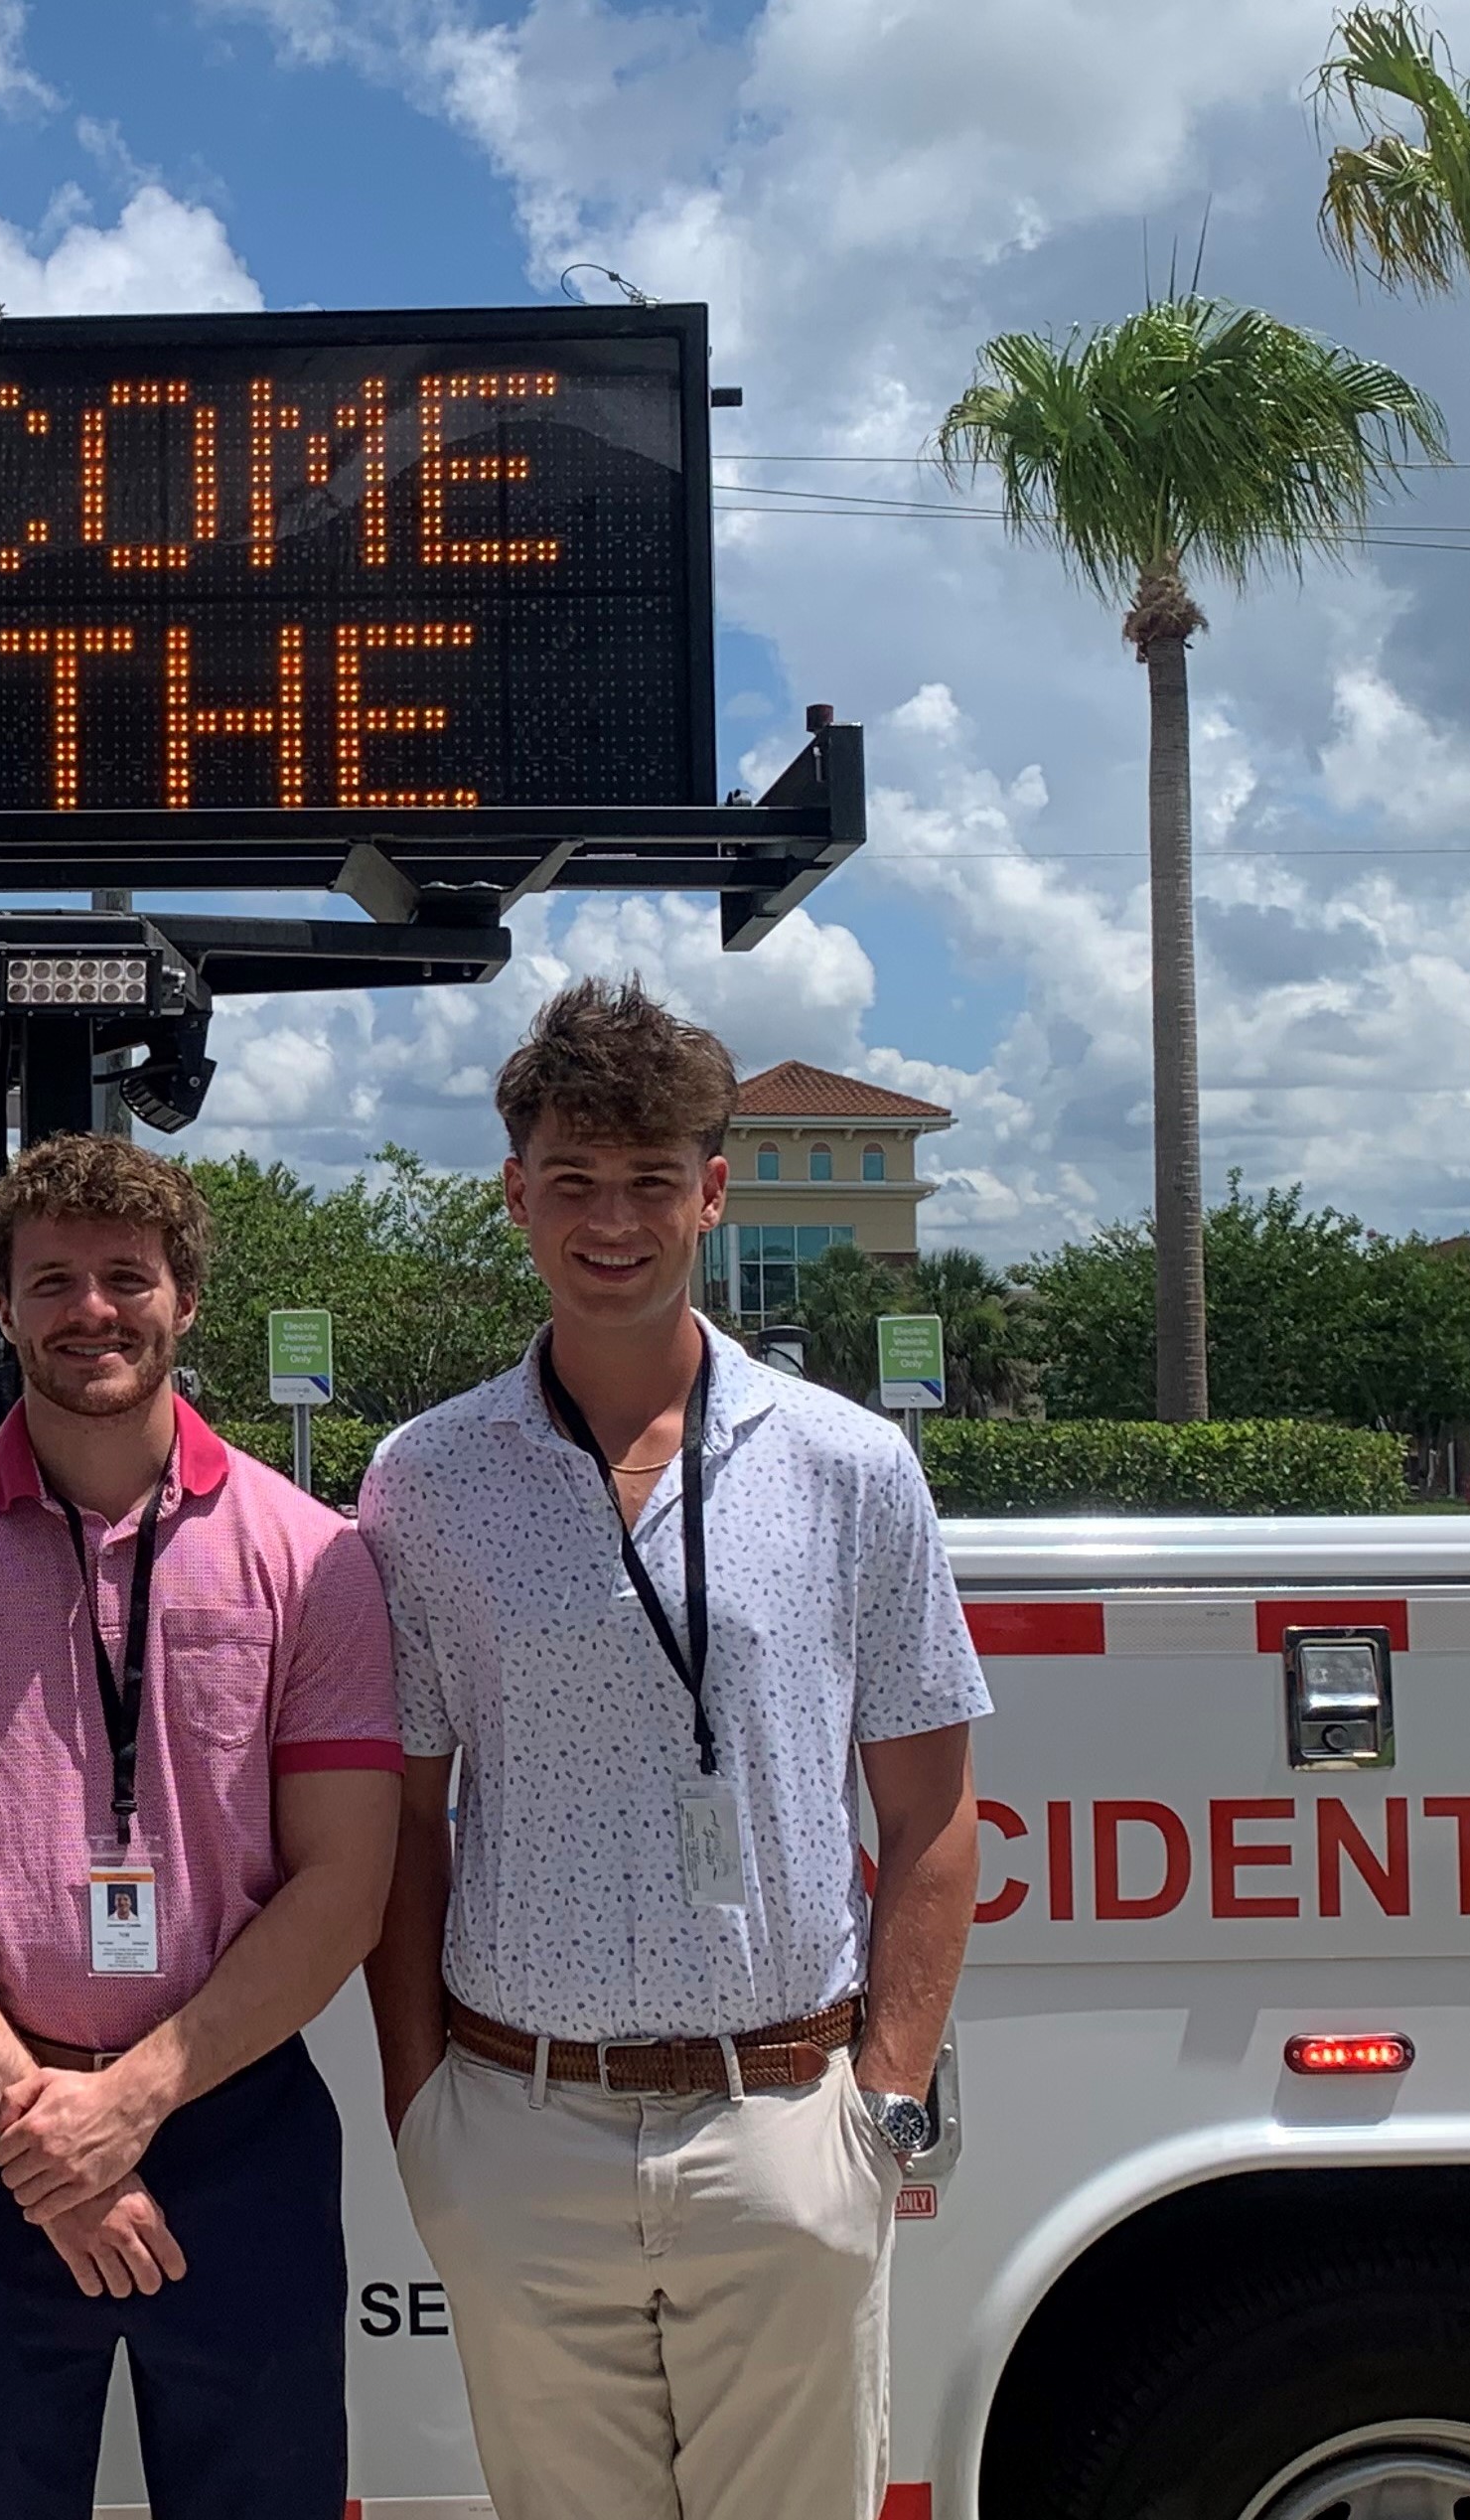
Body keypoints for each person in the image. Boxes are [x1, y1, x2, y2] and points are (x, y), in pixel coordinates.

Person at [359, 977, 988, 2520]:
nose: (610, 1219)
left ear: (712, 1189)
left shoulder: (850, 1467)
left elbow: (932, 1816)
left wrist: (878, 2106)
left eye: (650, 1180)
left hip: (780, 2124)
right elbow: (405, 1822)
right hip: (517, 2130)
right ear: (515, 1194)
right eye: (571, 1180)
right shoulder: (424, 1481)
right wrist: (422, 2108)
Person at [0, 1133, 402, 2518]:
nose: (93, 1309)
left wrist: (122, 2108)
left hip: (235, 2123)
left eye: (126, 1277)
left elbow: (342, 1883)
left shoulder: (309, 1556)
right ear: (5, 1305)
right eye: (54, 1280)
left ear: (184, 1299)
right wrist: (47, 2136)